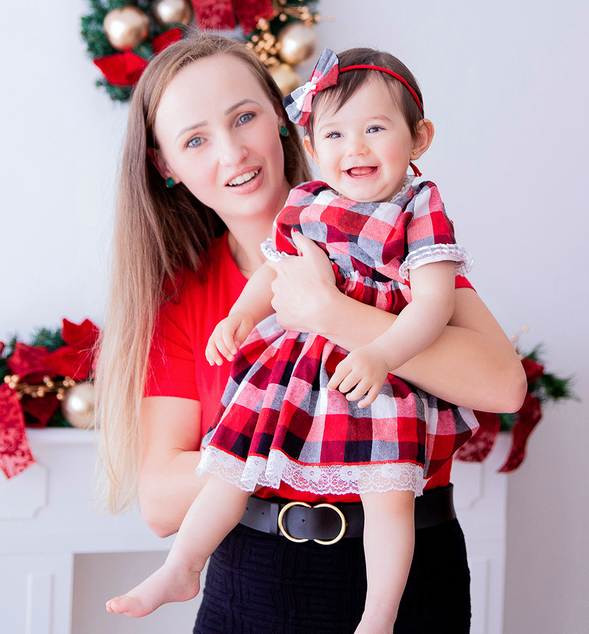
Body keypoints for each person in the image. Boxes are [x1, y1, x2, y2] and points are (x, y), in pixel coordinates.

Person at [94, 34, 526, 634]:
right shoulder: (185, 303)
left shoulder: (386, 239)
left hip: (410, 575)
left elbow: (503, 387)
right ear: (165, 166)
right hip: (255, 576)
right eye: (195, 139)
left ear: (282, 118)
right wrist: (296, 441)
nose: (233, 152)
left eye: (244, 117)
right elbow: (160, 504)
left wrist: (328, 312)